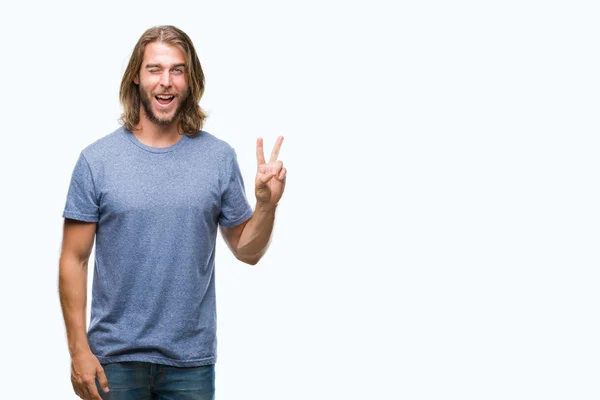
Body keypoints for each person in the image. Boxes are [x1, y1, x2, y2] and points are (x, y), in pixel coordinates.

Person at [58, 25, 286, 400]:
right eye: (155, 69)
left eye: (177, 70)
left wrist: (266, 205)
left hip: (190, 365)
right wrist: (78, 350)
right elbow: (74, 258)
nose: (166, 82)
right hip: (113, 361)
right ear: (137, 76)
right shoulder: (97, 161)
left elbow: (247, 251)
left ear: (190, 79)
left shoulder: (218, 158)